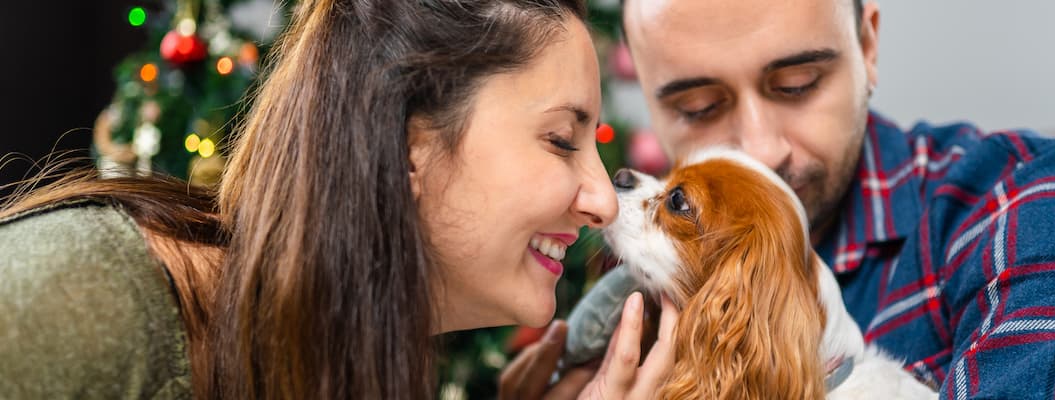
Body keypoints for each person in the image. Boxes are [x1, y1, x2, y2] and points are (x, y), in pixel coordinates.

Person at [0, 0, 679, 399]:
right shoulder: (80, 299)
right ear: (407, 138)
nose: (604, 200)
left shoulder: (351, 359)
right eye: (561, 139)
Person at [504, 0, 1055, 398]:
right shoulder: (625, 271)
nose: (757, 149)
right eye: (699, 106)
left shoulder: (1035, 199)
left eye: (796, 83)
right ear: (647, 97)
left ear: (868, 44)